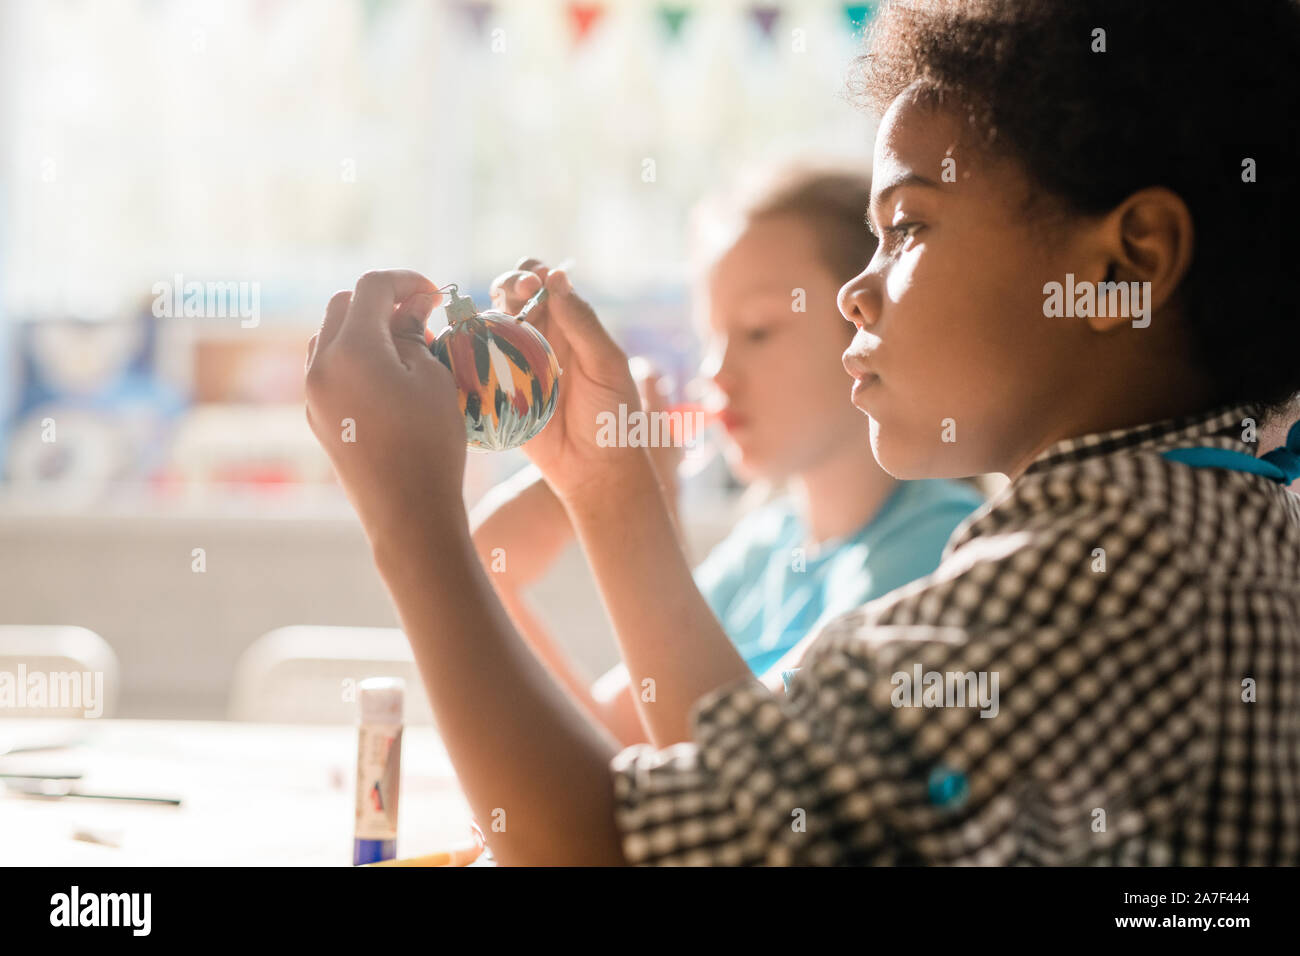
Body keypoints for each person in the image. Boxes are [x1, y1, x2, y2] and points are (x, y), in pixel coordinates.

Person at [303, 0, 1300, 865]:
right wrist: (612, 492)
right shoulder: (1187, 518)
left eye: (906, 225)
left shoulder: (1108, 574)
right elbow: (768, 808)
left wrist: (408, 516)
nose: (861, 291)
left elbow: (612, 849)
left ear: (1127, 265)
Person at [469, 166, 983, 747]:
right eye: (710, 337)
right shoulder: (767, 546)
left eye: (760, 330)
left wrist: (622, 498)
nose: (717, 371)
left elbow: (728, 772)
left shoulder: (937, 551)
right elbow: (618, 740)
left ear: (866, 324)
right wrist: (491, 572)